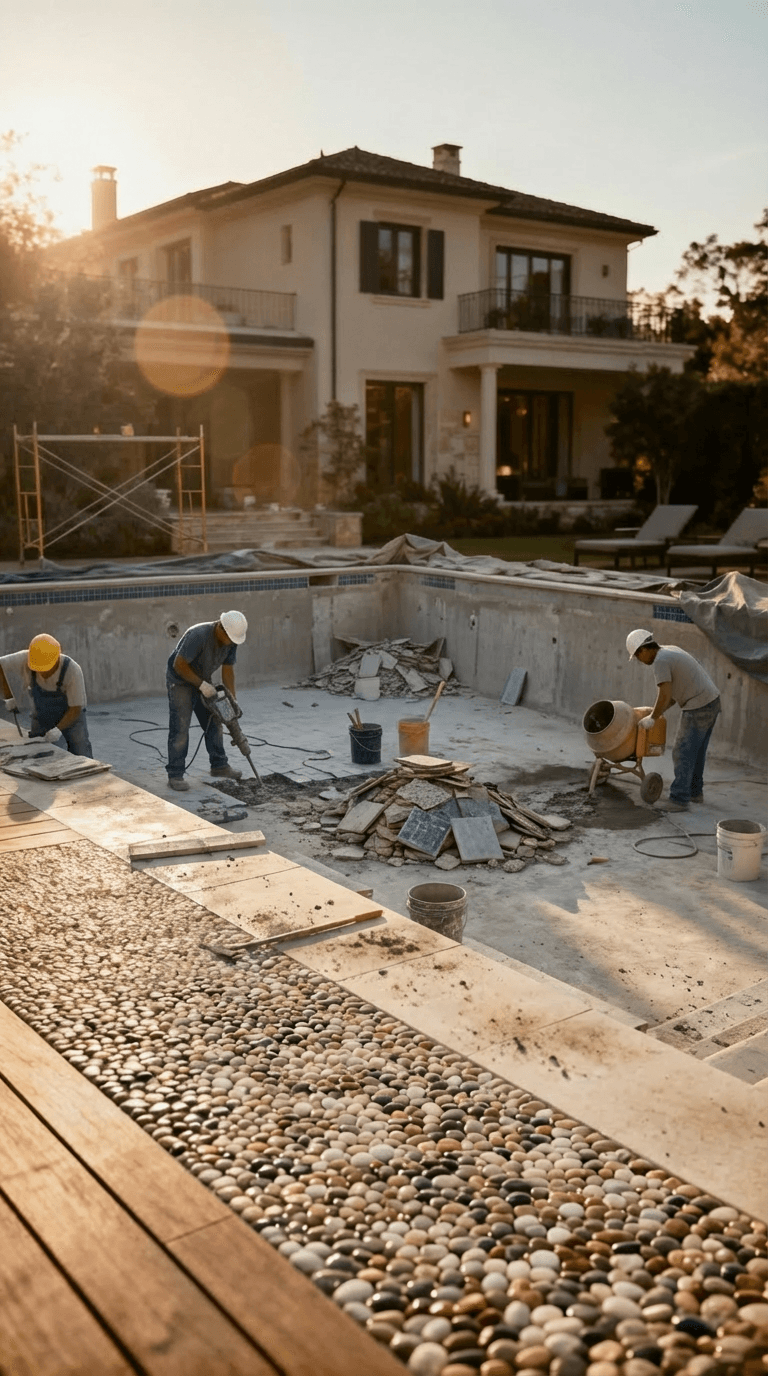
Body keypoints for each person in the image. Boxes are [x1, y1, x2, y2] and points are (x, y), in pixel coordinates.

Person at [626, 628, 721, 812]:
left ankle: (679, 799)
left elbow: (664, 694)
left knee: (682, 751)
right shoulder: (670, 650)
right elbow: (671, 697)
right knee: (697, 751)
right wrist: (655, 714)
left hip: (699, 705)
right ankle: (695, 793)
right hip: (712, 701)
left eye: (638, 657)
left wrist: (653, 717)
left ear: (643, 650)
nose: (640, 661)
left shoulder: (660, 661)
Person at [166, 610, 248, 791]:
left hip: (203, 679)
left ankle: (219, 765)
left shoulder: (231, 639)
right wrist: (201, 685)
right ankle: (175, 774)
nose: (232, 643)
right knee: (181, 727)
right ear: (220, 627)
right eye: (230, 639)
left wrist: (231, 700)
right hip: (180, 681)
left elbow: (228, 671)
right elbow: (178, 665)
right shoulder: (198, 635)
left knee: (215, 722)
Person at [0, 634, 93, 757]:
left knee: (81, 754)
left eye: (45, 668)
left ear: (56, 660)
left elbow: (76, 708)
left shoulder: (72, 670)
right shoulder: (27, 657)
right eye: (38, 668)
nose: (41, 672)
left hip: (71, 718)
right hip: (42, 718)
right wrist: (8, 696)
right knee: (40, 755)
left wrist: (57, 730)